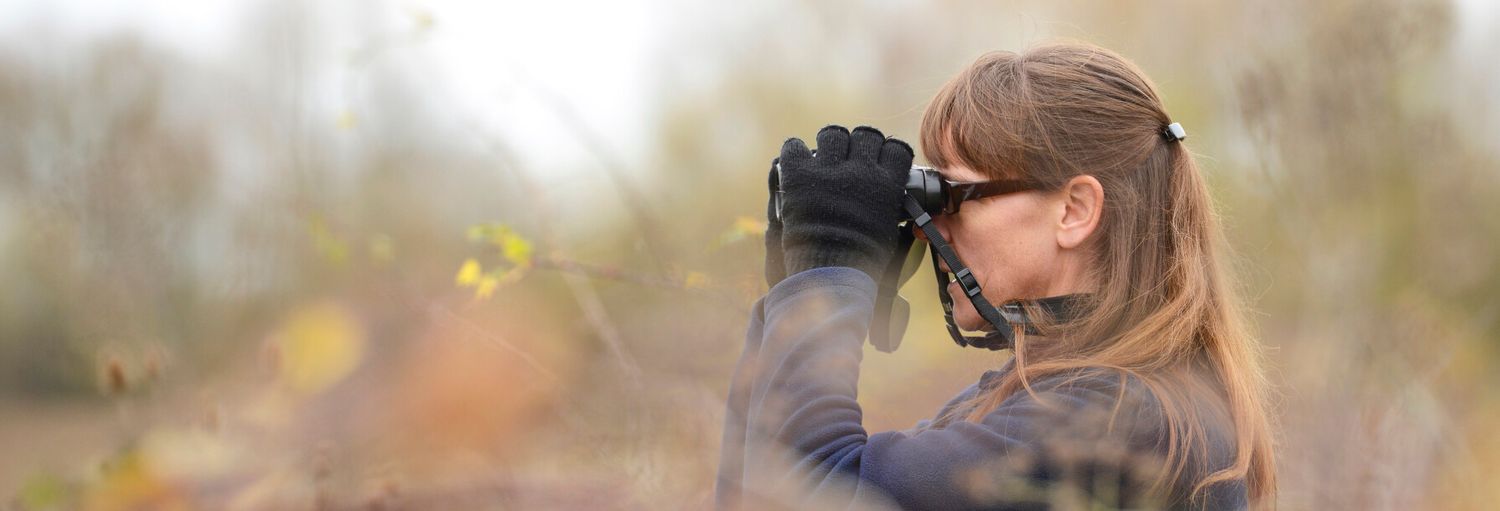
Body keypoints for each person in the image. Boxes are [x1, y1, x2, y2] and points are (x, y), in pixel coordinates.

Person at [715, 42, 1276, 510]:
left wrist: (824, 285)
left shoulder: (1125, 419)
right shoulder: (1070, 394)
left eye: (953, 195)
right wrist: (796, 295)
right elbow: (757, 495)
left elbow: (810, 491)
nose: (930, 229)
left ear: (1074, 211)